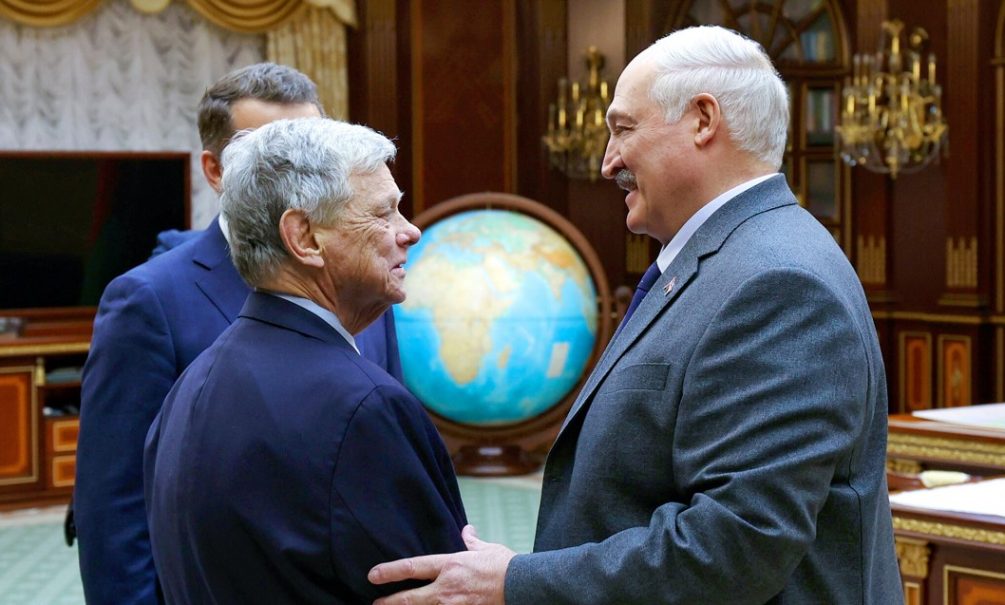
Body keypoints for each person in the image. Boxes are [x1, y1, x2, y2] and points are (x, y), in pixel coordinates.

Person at [368, 25, 902, 604]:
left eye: (623, 129)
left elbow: (735, 547)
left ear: (703, 120)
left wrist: (517, 582)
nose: (608, 163)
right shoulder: (729, 260)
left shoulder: (777, 284)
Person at [74, 63, 404, 604]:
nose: (298, 165)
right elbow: (115, 504)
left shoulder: (363, 283)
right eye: (268, 150)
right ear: (215, 170)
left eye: (309, 144)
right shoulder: (149, 299)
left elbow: (388, 452)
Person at [143, 116, 466, 604]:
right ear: (305, 237)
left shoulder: (192, 384)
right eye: (384, 214)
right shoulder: (364, 407)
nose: (411, 231)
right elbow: (442, 592)